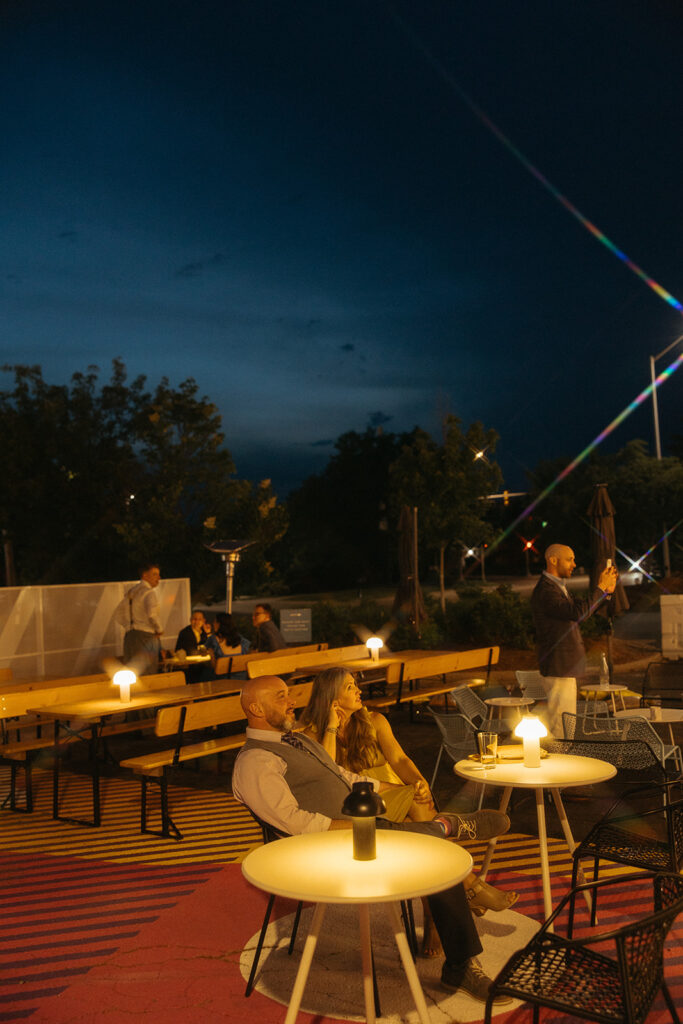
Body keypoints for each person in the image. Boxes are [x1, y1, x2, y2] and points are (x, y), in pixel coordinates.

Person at [232, 675, 513, 1005]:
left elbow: (342, 777)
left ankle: (445, 832)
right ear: (256, 707)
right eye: (281, 697)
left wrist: (390, 789)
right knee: (433, 851)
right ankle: (446, 831)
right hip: (319, 849)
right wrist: (353, 828)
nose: (291, 701)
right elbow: (294, 823)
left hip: (356, 824)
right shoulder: (255, 761)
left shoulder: (294, 739)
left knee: (432, 851)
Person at [299, 667, 517, 948]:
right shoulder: (309, 734)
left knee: (418, 800)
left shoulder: (374, 721)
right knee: (425, 836)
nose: (359, 691)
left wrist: (418, 781)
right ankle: (465, 878)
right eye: (350, 687)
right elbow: (328, 774)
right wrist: (330, 725)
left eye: (356, 685)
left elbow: (399, 759)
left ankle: (458, 883)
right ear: (331, 697)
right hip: (354, 807)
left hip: (394, 799)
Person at [530, 543, 618, 736]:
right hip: (558, 666)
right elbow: (577, 612)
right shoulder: (546, 590)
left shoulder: (557, 587)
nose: (574, 564)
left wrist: (607, 592)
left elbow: (581, 607)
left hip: (564, 666)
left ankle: (559, 758)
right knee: (560, 725)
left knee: (564, 722)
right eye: (569, 559)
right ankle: (558, 760)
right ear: (553, 560)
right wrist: (600, 587)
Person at [116, 562, 162, 675]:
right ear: (145, 575)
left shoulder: (131, 593)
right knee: (148, 672)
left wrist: (128, 625)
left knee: (131, 672)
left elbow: (118, 614)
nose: (159, 578)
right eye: (155, 574)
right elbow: (152, 614)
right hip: (146, 635)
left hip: (129, 636)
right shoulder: (148, 592)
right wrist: (159, 629)